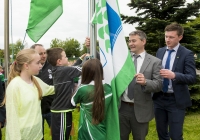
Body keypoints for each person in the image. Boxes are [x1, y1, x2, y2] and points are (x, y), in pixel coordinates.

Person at [153, 23, 196, 140]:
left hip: (175, 101)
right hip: (159, 98)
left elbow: (192, 77)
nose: (167, 40)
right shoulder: (160, 51)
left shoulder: (187, 54)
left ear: (180, 37)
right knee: (161, 134)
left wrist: (174, 75)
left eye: (171, 37)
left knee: (175, 135)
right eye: (166, 36)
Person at [119, 30, 162, 140]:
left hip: (141, 110)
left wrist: (146, 82)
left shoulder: (154, 61)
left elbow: (158, 85)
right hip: (122, 108)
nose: (131, 44)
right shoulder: (123, 59)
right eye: (129, 41)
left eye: (134, 41)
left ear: (143, 41)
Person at [6, 49, 55, 140]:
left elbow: (52, 89)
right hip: (23, 136)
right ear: (26, 65)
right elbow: (12, 119)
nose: (41, 66)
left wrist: (69, 83)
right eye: (37, 63)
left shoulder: (35, 81)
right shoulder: (14, 86)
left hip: (37, 135)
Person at [46, 47, 85, 140]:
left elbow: (72, 67)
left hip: (61, 110)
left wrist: (80, 59)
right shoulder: (64, 70)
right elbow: (84, 69)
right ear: (59, 61)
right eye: (65, 56)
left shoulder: (59, 70)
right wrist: (89, 60)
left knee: (64, 136)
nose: (67, 58)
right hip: (62, 112)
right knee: (62, 137)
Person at [71, 58, 113, 140]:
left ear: (85, 73)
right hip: (102, 131)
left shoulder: (83, 89)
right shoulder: (109, 88)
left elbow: (72, 102)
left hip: (87, 131)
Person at [30, 44, 54, 139]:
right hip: (35, 112)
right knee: (38, 137)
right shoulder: (29, 70)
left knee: (57, 135)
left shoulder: (52, 65)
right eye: (40, 53)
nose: (44, 56)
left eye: (45, 53)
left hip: (52, 109)